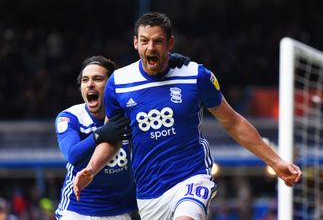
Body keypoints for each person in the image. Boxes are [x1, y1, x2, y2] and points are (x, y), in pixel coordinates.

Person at [73, 12, 302, 220]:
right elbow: (113, 137)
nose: (151, 47)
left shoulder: (195, 76)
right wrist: (92, 169)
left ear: (170, 43)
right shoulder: (119, 84)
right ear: (136, 43)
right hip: (149, 192)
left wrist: (276, 160)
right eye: (144, 41)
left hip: (191, 177)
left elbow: (232, 121)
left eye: (158, 41)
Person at [55, 53, 189, 220]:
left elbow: (161, 102)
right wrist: (100, 134)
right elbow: (73, 155)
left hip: (120, 212)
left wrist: (169, 67)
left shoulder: (131, 115)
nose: (90, 84)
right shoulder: (70, 117)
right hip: (77, 210)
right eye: (85, 80)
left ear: (112, 85)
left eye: (97, 79)